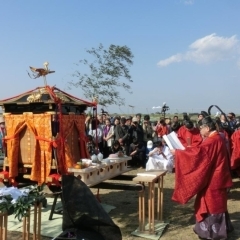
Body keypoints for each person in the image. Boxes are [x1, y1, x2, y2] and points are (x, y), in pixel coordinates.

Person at [171, 116, 233, 240]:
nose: (199, 131)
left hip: (214, 179)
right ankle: (222, 228)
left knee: (212, 204)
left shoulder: (212, 141)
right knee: (217, 203)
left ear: (207, 128)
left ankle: (213, 233)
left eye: (201, 128)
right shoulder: (218, 137)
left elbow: (200, 155)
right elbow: (200, 150)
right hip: (219, 176)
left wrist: (178, 153)